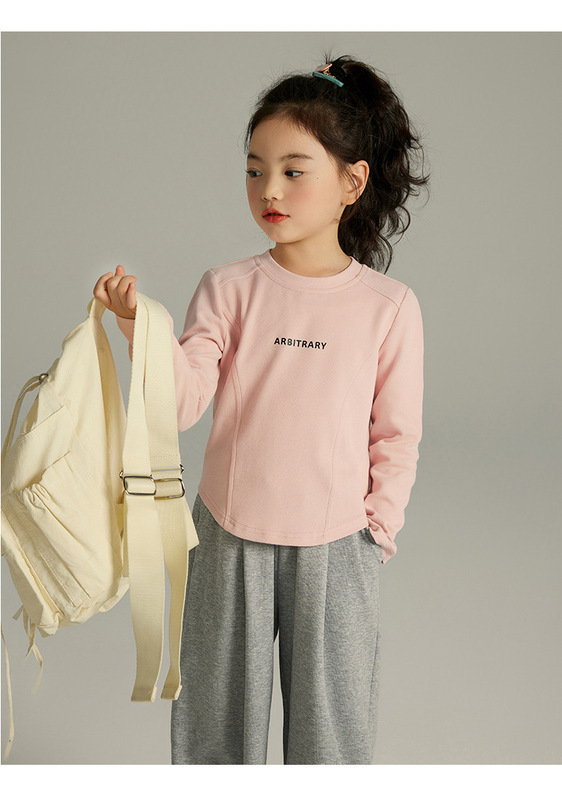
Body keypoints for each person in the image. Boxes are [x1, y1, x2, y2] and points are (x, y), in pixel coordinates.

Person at [93, 52, 429, 765]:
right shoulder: (228, 288)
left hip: (338, 547)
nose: (268, 189)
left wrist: (378, 530)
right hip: (227, 538)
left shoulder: (389, 307)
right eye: (254, 170)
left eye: (292, 171)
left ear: (352, 182)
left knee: (331, 740)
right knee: (214, 732)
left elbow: (396, 436)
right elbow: (183, 402)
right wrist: (140, 329)